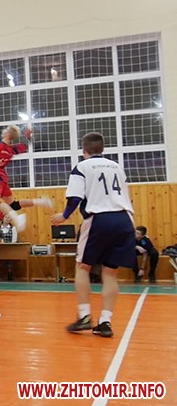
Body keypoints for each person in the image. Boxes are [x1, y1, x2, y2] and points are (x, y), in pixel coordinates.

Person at [52, 132, 136, 338]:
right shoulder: (116, 167)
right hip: (124, 219)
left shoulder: (82, 167)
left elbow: (75, 197)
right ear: (102, 149)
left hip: (99, 218)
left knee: (82, 267)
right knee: (110, 273)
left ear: (84, 150)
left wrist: (64, 215)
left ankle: (84, 316)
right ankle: (105, 322)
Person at [0, 216, 18, 280]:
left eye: (9, 218)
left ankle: (9, 272)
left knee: (10, 257)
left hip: (10, 248)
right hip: (0, 249)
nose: (7, 219)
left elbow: (14, 240)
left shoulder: (13, 228)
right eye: (5, 217)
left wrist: (8, 246)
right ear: (2, 218)